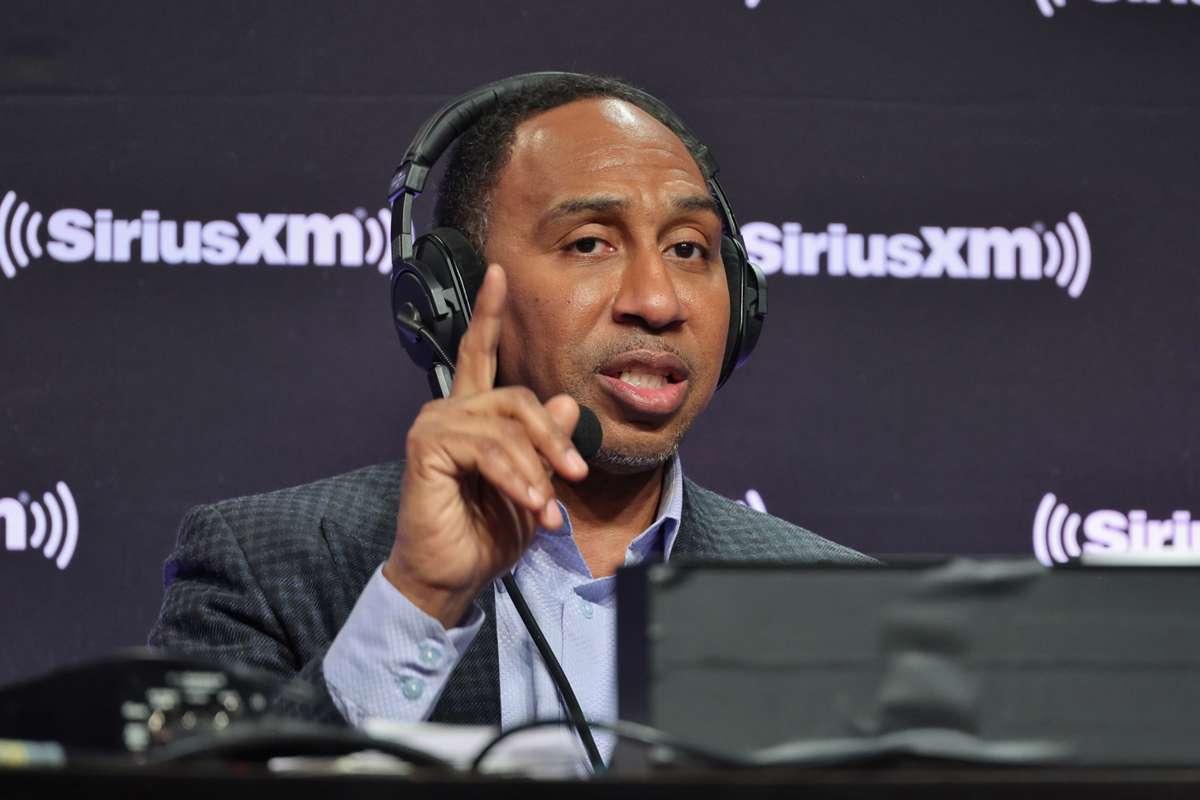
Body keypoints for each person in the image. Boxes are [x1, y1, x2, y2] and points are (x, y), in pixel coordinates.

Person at [148, 73, 873, 747]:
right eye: (589, 243)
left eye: (689, 249)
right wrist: (419, 601)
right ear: (454, 297)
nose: (657, 300)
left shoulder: (835, 602)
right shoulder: (265, 567)